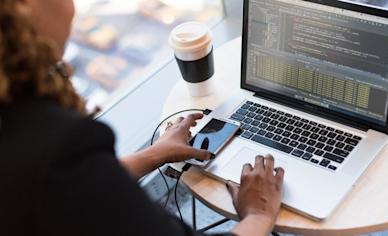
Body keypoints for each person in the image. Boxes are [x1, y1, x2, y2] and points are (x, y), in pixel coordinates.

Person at [0, 0, 285, 235]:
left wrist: (154, 154)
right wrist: (258, 216)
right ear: (22, 8)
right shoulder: (58, 143)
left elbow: (66, 191)